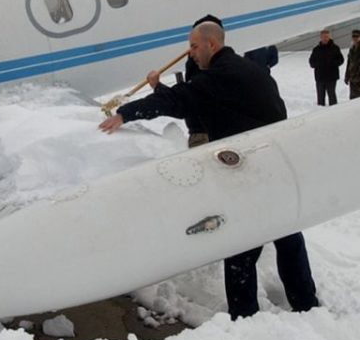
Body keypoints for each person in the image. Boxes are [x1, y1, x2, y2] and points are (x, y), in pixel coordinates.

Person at [99, 21, 320, 320]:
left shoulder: (219, 77)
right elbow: (191, 101)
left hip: (250, 172)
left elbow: (177, 101)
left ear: (211, 45)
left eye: (193, 46)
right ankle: (306, 303)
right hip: (277, 165)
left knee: (241, 246)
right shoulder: (250, 71)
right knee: (288, 237)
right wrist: (160, 89)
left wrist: (125, 113)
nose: (190, 53)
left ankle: (245, 316)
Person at [183, 14, 224, 148]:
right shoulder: (225, 63)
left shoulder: (206, 66)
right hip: (206, 130)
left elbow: (189, 95)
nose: (192, 51)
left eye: (195, 45)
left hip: (204, 132)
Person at [308, 29, 344, 105]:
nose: (325, 38)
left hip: (332, 77)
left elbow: (341, 60)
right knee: (320, 98)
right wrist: (317, 64)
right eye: (323, 37)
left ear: (329, 37)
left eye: (327, 37)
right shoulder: (316, 49)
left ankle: (334, 111)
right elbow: (311, 62)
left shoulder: (335, 48)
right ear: (320, 37)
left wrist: (332, 63)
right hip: (320, 77)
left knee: (332, 96)